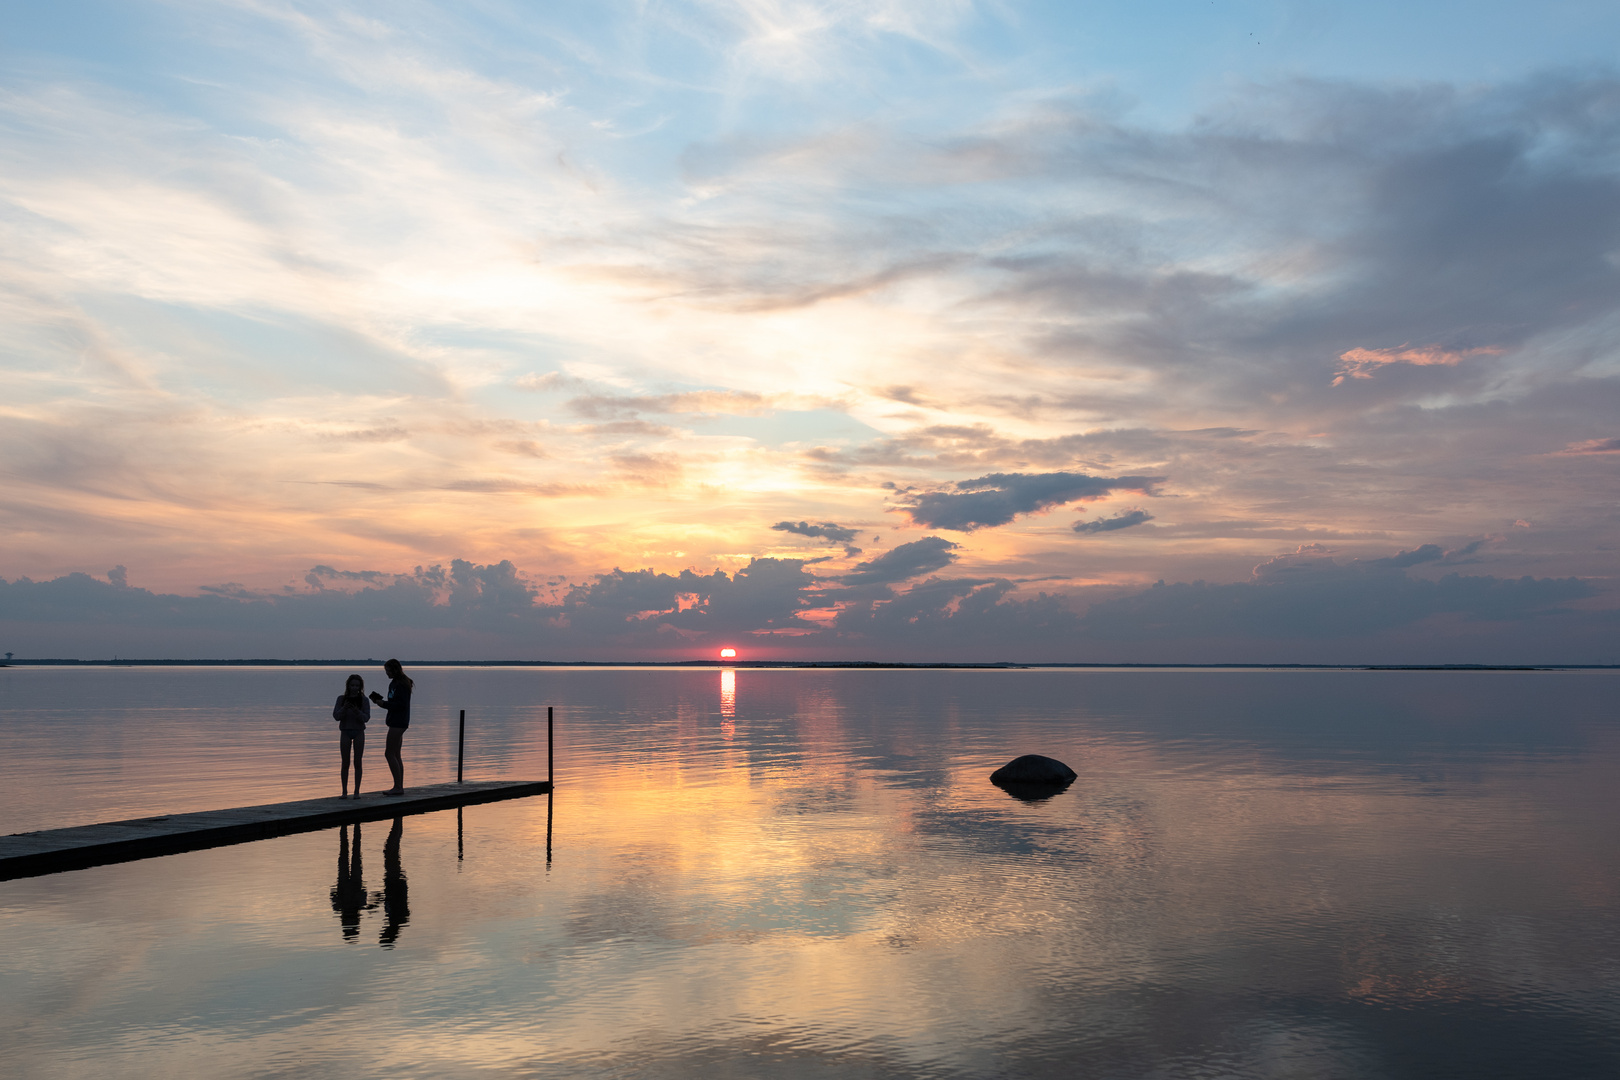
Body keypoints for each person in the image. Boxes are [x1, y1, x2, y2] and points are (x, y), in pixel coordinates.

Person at [370, 658, 413, 795]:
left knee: (389, 753)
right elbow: (394, 702)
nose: (386, 673)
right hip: (395, 721)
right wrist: (382, 703)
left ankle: (398, 787)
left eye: (388, 670)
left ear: (394, 669)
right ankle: (399, 786)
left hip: (399, 722)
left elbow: (401, 705)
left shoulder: (402, 684)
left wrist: (384, 704)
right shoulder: (394, 684)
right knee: (396, 754)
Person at [332, 673, 370, 799]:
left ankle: (356, 792)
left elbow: (366, 718)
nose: (354, 688)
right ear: (348, 686)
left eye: (357, 686)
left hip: (359, 731)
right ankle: (344, 792)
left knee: (358, 762)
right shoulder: (341, 699)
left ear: (360, 687)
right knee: (345, 763)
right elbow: (336, 716)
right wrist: (344, 708)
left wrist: (356, 711)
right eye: (352, 685)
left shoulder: (364, 700)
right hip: (345, 731)